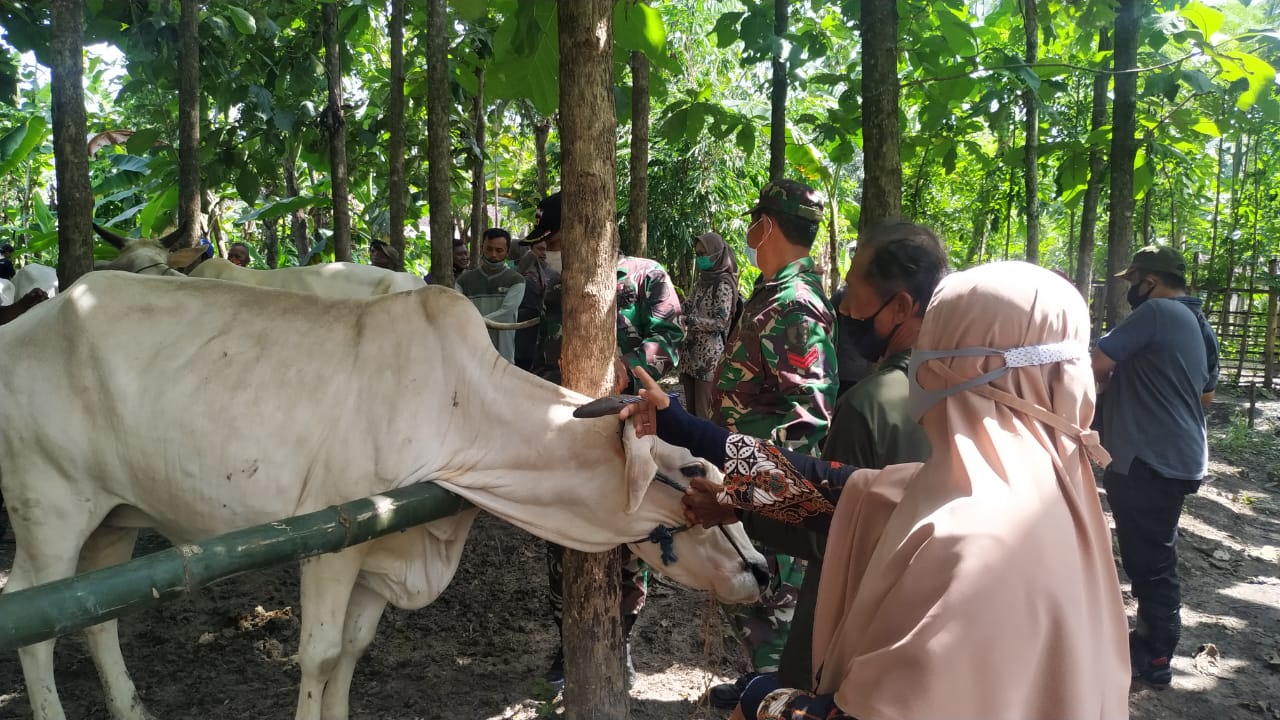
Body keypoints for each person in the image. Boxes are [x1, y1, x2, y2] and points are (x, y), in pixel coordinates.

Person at [621, 261, 1130, 720]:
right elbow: (827, 491)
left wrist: (767, 700)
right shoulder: (1044, 497)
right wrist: (683, 428)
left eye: (933, 346)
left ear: (964, 369)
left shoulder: (971, 543)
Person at [727, 221, 944, 702]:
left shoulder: (872, 404)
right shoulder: (966, 391)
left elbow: (832, 526)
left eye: (854, 298)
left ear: (903, 307)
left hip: (851, 624)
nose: (842, 310)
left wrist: (736, 501)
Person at [521, 191, 684, 688]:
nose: (548, 249)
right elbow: (537, 362)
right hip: (569, 440)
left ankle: (622, 640)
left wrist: (629, 369)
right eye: (545, 243)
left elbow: (670, 338)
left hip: (629, 433)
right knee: (562, 541)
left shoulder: (645, 275)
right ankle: (569, 646)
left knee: (632, 540)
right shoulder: (556, 289)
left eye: (553, 238)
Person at [711, 179, 837, 704]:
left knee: (772, 600)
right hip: (750, 474)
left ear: (767, 225)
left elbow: (809, 417)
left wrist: (757, 486)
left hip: (769, 483)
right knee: (753, 599)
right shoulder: (771, 295)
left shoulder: (794, 304)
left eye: (755, 220)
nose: (749, 230)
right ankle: (760, 685)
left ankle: (774, 697)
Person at [1093, 244, 1219, 688]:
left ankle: (1156, 654)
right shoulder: (1199, 323)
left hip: (1150, 459)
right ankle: (1152, 641)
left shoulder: (1158, 313)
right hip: (1179, 455)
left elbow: (1096, 362)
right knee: (1152, 553)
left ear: (1150, 281)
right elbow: (1206, 395)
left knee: (1150, 560)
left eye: (1133, 283)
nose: (1131, 290)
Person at [680, 231, 738, 419]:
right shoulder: (702, 281)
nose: (700, 259)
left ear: (716, 254)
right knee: (690, 412)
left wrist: (693, 321)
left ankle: (704, 448)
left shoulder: (723, 284)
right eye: (697, 254)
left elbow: (721, 322)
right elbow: (690, 304)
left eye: (703, 254)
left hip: (708, 360)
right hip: (691, 356)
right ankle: (689, 448)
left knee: (703, 413)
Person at [456, 228, 525, 363]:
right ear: (482, 248)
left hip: (503, 350)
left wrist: (476, 322)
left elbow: (506, 312)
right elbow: (458, 310)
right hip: (472, 347)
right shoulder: (463, 281)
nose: (493, 255)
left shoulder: (516, 280)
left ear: (507, 251)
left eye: (499, 250)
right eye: (489, 249)